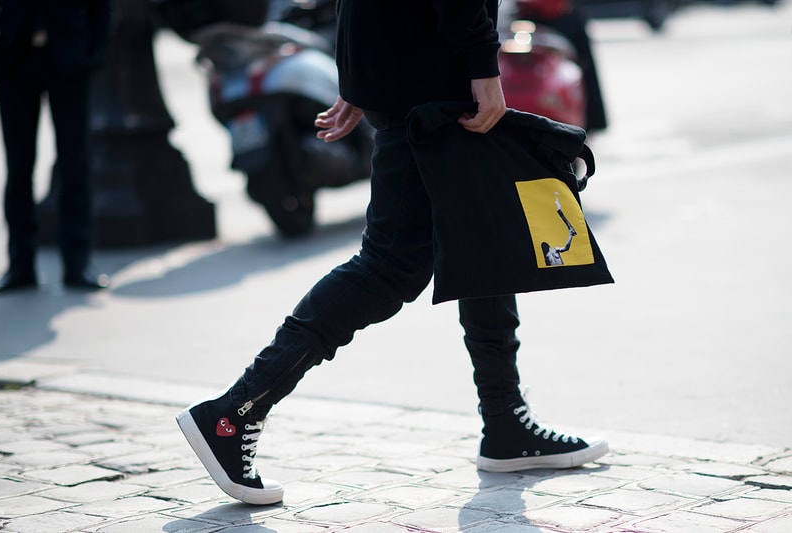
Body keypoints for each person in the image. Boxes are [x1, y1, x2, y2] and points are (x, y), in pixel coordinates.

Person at [176, 0, 609, 505]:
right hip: (435, 82)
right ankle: (234, 413)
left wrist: (361, 76)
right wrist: (480, 64)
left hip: (410, 70)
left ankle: (505, 422)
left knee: (481, 241)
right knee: (390, 266)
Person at [0, 0, 111, 292]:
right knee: (18, 166)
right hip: (12, 55)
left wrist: (95, 50)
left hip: (69, 55)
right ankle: (20, 265)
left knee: (75, 162)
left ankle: (77, 263)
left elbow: (103, 6)